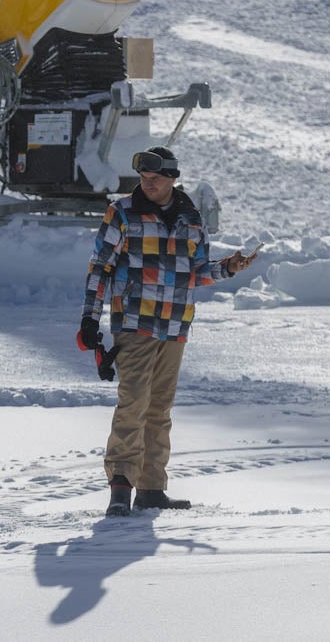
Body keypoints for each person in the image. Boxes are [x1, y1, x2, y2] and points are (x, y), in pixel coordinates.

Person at [78, 146, 256, 517]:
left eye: (156, 179)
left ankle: (151, 488)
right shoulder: (123, 212)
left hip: (175, 325)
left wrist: (230, 267)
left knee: (159, 408)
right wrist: (90, 318)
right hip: (134, 322)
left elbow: (198, 272)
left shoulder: (191, 219)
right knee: (133, 403)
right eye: (144, 178)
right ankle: (120, 488)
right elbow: (100, 267)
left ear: (173, 178)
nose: (149, 184)